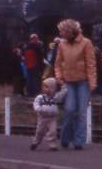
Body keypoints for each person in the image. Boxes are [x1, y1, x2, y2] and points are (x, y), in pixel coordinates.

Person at [52, 19, 97, 150]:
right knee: (70, 110)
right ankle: (65, 138)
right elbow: (58, 64)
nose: (60, 33)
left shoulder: (86, 43)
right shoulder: (61, 44)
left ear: (69, 31)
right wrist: (59, 77)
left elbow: (91, 64)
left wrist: (92, 83)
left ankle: (79, 142)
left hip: (83, 82)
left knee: (81, 112)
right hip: (68, 82)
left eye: (61, 31)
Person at [31, 77, 64, 151]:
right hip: (42, 118)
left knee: (53, 131)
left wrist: (63, 85)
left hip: (52, 118)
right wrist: (38, 109)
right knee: (40, 131)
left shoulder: (55, 97)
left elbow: (63, 92)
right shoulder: (40, 97)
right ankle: (36, 142)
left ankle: (52, 145)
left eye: (46, 87)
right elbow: (36, 103)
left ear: (52, 88)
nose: (44, 88)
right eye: (43, 86)